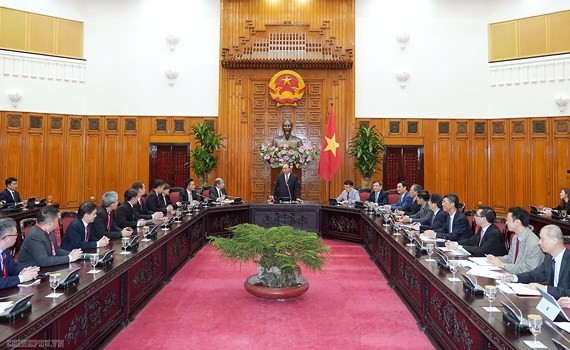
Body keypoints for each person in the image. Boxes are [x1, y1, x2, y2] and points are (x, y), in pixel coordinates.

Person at [502, 225, 570, 299]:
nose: (539, 242)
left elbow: (568, 292)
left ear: (554, 241)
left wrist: (544, 289)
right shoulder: (549, 257)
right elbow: (535, 275)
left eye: (542, 239)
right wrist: (514, 278)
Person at [18, 206, 82, 268]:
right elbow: (44, 261)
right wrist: (70, 258)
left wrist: (71, 253)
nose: (59, 223)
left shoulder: (49, 231)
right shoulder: (35, 236)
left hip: (44, 268)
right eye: (57, 220)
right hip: (31, 271)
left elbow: (56, 250)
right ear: (50, 223)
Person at [487, 207, 544, 273]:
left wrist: (503, 265)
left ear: (517, 222)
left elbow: (529, 268)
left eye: (508, 220)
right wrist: (496, 258)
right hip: (514, 275)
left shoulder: (533, 242)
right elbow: (511, 258)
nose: (506, 222)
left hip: (527, 280)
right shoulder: (515, 237)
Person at [0, 218, 39, 289]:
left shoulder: (5, 251)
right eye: (15, 234)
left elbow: (13, 267)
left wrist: (23, 271)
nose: (16, 237)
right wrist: (21, 278)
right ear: (6, 238)